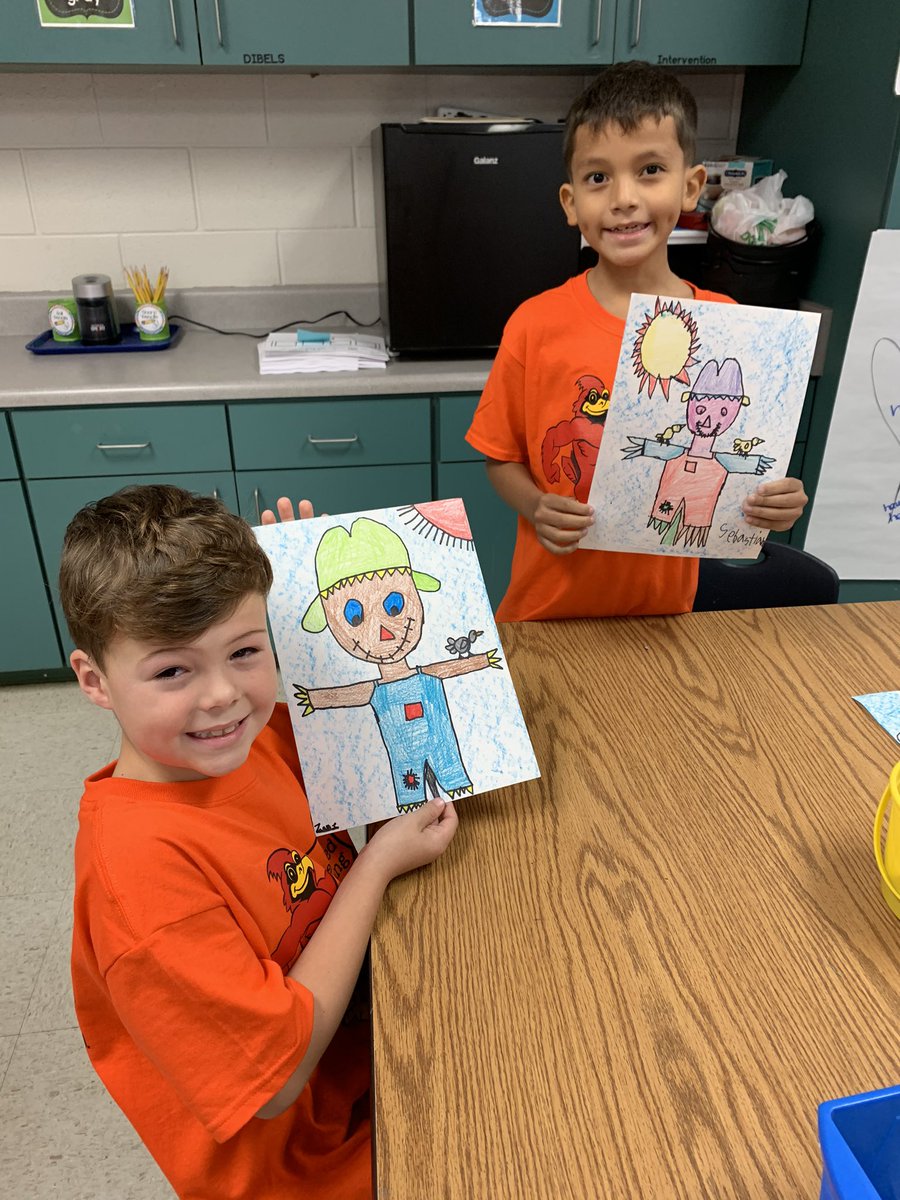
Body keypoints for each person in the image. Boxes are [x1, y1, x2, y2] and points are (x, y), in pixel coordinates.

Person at [60, 484, 458, 1200]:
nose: (223, 695)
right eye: (172, 670)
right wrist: (376, 866)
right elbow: (277, 1081)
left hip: (384, 1045)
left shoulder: (255, 736)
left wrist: (308, 589)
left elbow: (364, 755)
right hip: (311, 1167)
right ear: (95, 680)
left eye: (244, 651)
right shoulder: (140, 880)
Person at [465, 62, 808, 621]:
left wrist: (777, 504)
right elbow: (500, 457)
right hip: (545, 617)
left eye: (650, 170)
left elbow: (746, 470)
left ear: (691, 186)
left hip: (662, 619)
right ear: (570, 202)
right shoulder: (535, 323)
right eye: (598, 177)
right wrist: (536, 505)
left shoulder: (728, 327)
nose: (623, 198)